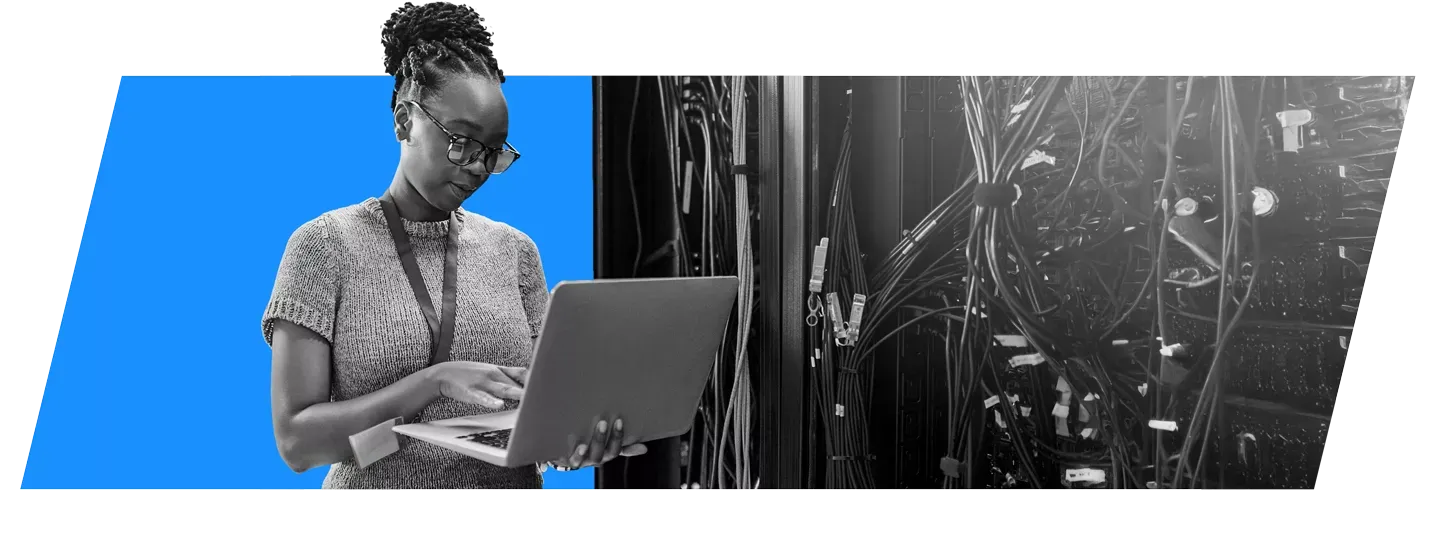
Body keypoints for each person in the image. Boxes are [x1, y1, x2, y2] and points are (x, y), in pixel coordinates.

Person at [261, 0, 644, 490]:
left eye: (492, 152)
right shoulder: (324, 246)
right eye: (460, 142)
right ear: (405, 121)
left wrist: (575, 443)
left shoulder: (516, 253)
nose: (478, 167)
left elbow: (538, 420)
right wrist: (432, 381)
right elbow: (297, 443)